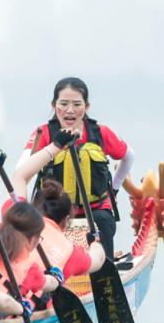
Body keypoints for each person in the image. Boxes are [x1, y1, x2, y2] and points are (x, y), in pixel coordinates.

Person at [12, 77, 135, 259]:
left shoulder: (100, 132)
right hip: (53, 209)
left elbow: (129, 156)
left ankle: (104, 267)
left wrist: (114, 190)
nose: (70, 110)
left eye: (77, 104)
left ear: (87, 106)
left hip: (96, 209)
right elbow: (21, 170)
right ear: (54, 105)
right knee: (43, 233)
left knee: (102, 221)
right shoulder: (44, 133)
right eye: (64, 104)